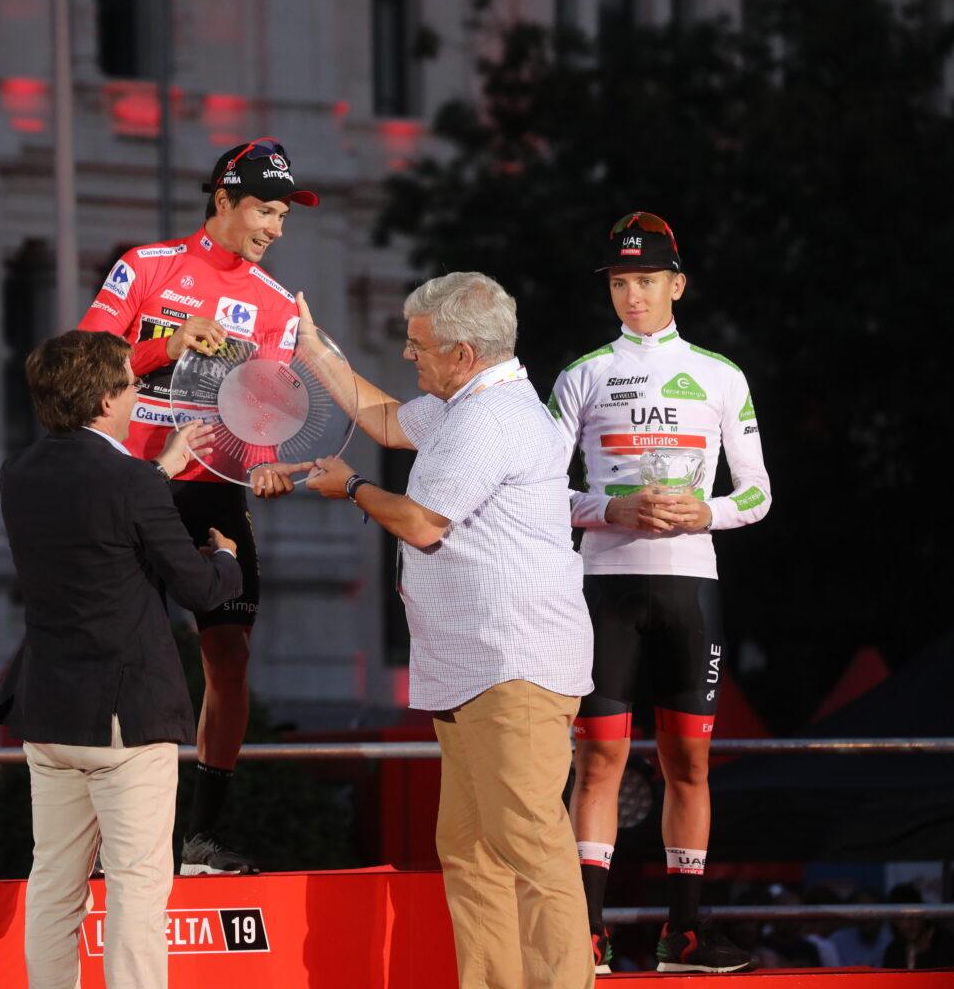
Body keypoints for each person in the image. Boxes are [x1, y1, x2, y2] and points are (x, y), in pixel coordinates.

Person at [299, 273, 595, 989]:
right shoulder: (467, 403)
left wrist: (352, 489)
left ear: (463, 354)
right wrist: (315, 353)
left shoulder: (489, 420)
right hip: (475, 667)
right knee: (469, 847)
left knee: (529, 842)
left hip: (512, 664)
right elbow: (390, 421)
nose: (408, 354)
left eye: (419, 344)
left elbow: (422, 523)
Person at [78, 137, 316, 875]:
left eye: (282, 214)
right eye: (264, 210)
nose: (275, 227)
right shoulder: (145, 268)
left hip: (212, 490)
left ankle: (201, 838)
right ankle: (99, 839)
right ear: (223, 199)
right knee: (117, 657)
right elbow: (79, 367)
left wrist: (270, 465)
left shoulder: (276, 305)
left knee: (231, 654)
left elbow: (266, 415)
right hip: (129, 482)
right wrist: (165, 345)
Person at [548, 211, 773, 974]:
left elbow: (759, 495)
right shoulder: (582, 374)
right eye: (619, 282)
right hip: (604, 586)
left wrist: (705, 511)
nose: (633, 295)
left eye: (646, 280)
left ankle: (683, 933)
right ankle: (587, 933)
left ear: (676, 283)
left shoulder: (720, 375)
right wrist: (609, 509)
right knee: (599, 761)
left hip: (690, 590)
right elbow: (540, 490)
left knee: (689, 764)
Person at [0, 329, 243, 989]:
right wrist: (227, 560)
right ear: (105, 400)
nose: (137, 391)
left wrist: (160, 467)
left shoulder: (18, 472)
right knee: (136, 888)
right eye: (131, 383)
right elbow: (198, 588)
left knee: (54, 884)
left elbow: (95, 513)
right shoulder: (129, 481)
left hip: (50, 712)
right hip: (126, 716)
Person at [882, 883, 954, 970]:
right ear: (894, 921)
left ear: (922, 913)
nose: (909, 924)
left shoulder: (948, 946)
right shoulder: (894, 952)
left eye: (913, 916)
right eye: (902, 918)